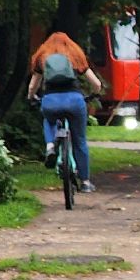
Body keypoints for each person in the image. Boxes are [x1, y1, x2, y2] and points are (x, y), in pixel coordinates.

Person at [26, 32, 104, 193]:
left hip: (51, 101)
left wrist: (31, 96)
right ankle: (85, 182)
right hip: (74, 101)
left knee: (49, 120)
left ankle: (50, 147)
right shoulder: (75, 56)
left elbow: (33, 86)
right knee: (80, 141)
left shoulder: (42, 57)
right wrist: (95, 94)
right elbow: (96, 84)